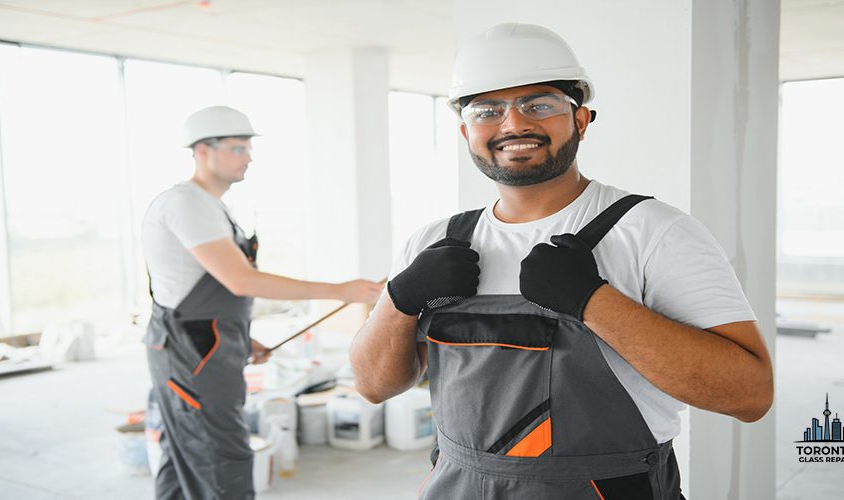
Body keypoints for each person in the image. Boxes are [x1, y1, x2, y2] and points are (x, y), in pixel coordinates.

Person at [349, 23, 773, 499]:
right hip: (458, 486)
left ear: (581, 120)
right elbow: (372, 386)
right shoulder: (433, 241)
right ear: (467, 132)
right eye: (488, 110)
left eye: (539, 104)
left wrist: (593, 301)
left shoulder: (654, 232)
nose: (513, 125)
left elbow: (750, 395)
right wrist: (399, 300)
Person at [142, 105, 382, 499]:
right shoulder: (186, 204)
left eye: (248, 148)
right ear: (203, 150)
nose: (249, 157)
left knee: (184, 452)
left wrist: (240, 336)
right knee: (219, 456)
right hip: (190, 351)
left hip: (207, 344)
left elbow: (207, 288)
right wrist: (340, 290)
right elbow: (240, 280)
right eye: (238, 148)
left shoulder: (211, 206)